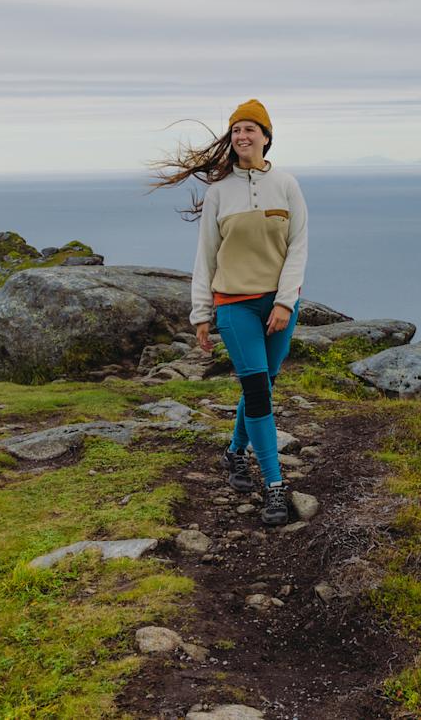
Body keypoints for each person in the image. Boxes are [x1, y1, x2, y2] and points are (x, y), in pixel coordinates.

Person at [149, 99, 308, 526]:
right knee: (256, 389)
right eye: (236, 130)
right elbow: (205, 256)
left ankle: (235, 452)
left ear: (267, 136)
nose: (241, 136)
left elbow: (298, 248)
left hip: (277, 305)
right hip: (234, 304)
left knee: (265, 386)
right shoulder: (219, 192)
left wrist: (284, 302)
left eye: (250, 129)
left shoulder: (288, 186)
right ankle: (275, 487)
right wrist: (201, 314)